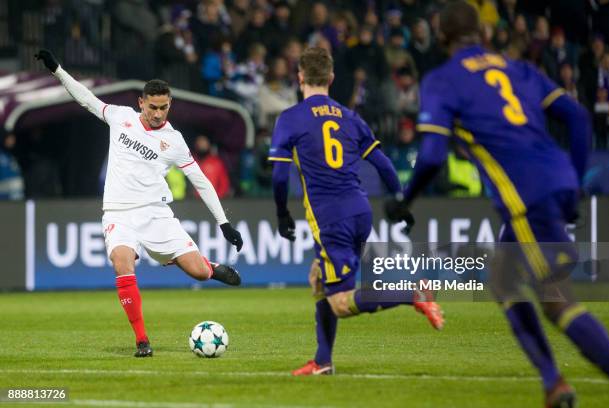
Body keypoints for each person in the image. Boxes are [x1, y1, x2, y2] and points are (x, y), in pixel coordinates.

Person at [384, 3, 609, 407]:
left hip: (526, 194)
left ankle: (555, 381)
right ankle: (553, 384)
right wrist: (574, 184)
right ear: (483, 34)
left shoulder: (443, 80)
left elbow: (433, 155)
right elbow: (577, 117)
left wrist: (406, 199)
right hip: (558, 176)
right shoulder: (518, 68)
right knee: (503, 278)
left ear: (442, 40)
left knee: (557, 301)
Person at [35, 49, 244, 358]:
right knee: (122, 261)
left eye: (164, 107)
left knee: (197, 272)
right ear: (141, 103)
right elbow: (85, 98)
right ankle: (142, 340)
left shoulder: (174, 141)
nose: (159, 114)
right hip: (119, 214)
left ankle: (210, 269)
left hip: (156, 214)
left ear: (169, 104)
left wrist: (223, 222)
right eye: (153, 107)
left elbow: (200, 180)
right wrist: (57, 70)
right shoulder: (121, 118)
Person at [269, 47, 444, 376]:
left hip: (330, 218)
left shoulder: (291, 118)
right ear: (332, 78)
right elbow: (384, 163)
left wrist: (281, 213)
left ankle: (412, 293)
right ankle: (323, 361)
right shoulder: (350, 117)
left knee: (340, 301)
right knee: (319, 278)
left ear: (300, 77)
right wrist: (401, 200)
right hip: (360, 211)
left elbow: (279, 175)